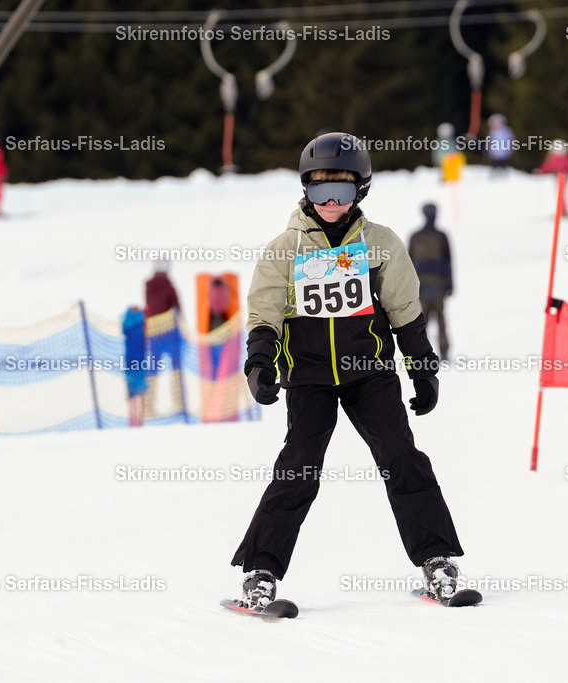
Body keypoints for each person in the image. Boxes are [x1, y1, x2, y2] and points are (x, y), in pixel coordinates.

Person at [231, 131, 466, 611]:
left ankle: (438, 561)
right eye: (320, 190)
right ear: (305, 191)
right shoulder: (286, 248)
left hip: (370, 373)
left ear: (361, 189)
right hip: (310, 377)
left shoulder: (380, 243)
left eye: (341, 189)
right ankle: (260, 572)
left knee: (402, 457)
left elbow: (404, 309)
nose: (331, 201)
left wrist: (422, 369)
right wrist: (260, 364)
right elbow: (265, 311)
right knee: (298, 470)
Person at [408, 202, 453, 362]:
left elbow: (409, 263)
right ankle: (442, 352)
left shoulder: (416, 236)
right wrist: (450, 283)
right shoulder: (440, 236)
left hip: (422, 282)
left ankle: (423, 352)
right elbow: (448, 261)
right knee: (438, 317)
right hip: (436, 282)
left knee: (423, 318)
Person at [143, 260, 183, 416]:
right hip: (170, 334)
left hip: (153, 333)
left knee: (153, 370)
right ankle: (179, 402)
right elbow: (178, 310)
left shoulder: (148, 287)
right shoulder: (169, 288)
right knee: (176, 369)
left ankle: (148, 406)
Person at [533, 140, 568, 217]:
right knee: (560, 193)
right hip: (559, 177)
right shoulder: (561, 159)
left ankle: (562, 210)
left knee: (560, 193)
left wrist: (540, 172)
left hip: (563, 177)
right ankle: (562, 210)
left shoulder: (557, 159)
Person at [121, 305, 147, 427]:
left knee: (132, 390)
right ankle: (140, 419)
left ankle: (132, 419)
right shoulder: (143, 320)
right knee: (141, 390)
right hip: (141, 359)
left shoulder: (126, 320)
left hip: (130, 359)